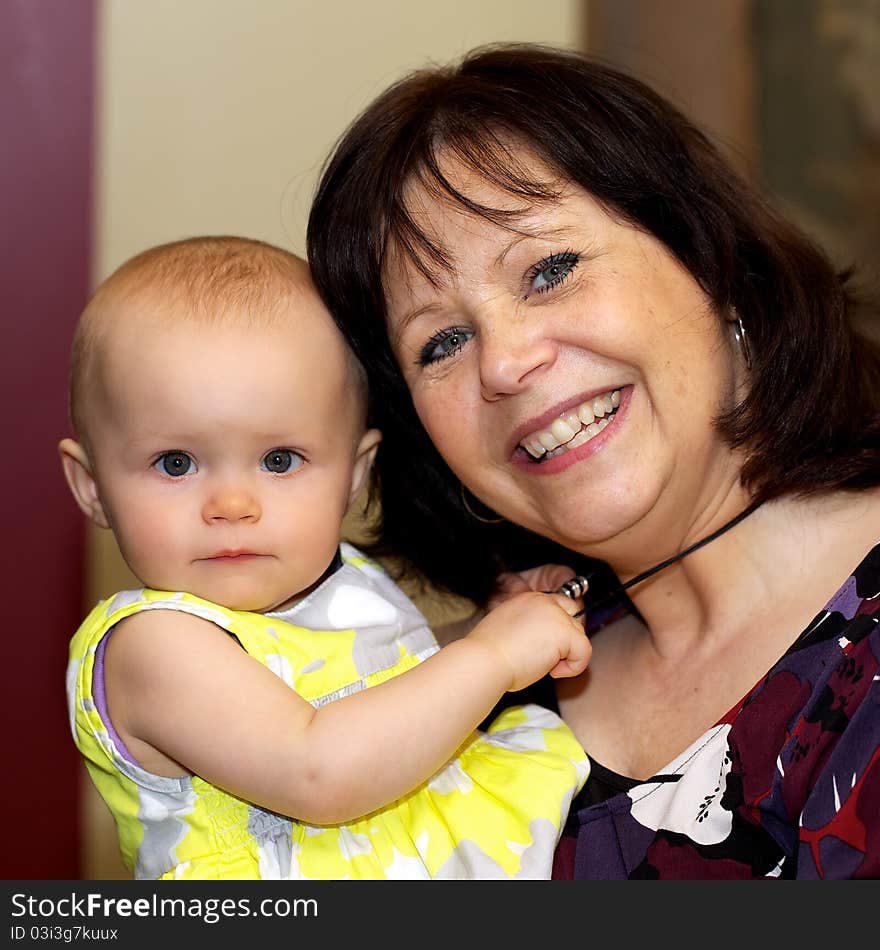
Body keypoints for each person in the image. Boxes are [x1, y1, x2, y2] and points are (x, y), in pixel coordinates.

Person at [306, 43, 880, 879]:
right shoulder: (456, 705)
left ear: (710, 262)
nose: (501, 364)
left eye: (551, 270)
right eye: (443, 342)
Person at [60, 235, 592, 880]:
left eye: (279, 460)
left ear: (354, 475)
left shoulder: (342, 580)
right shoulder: (152, 646)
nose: (232, 503)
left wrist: (487, 623)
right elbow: (319, 771)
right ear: (93, 488)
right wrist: (495, 658)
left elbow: (378, 668)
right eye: (177, 463)